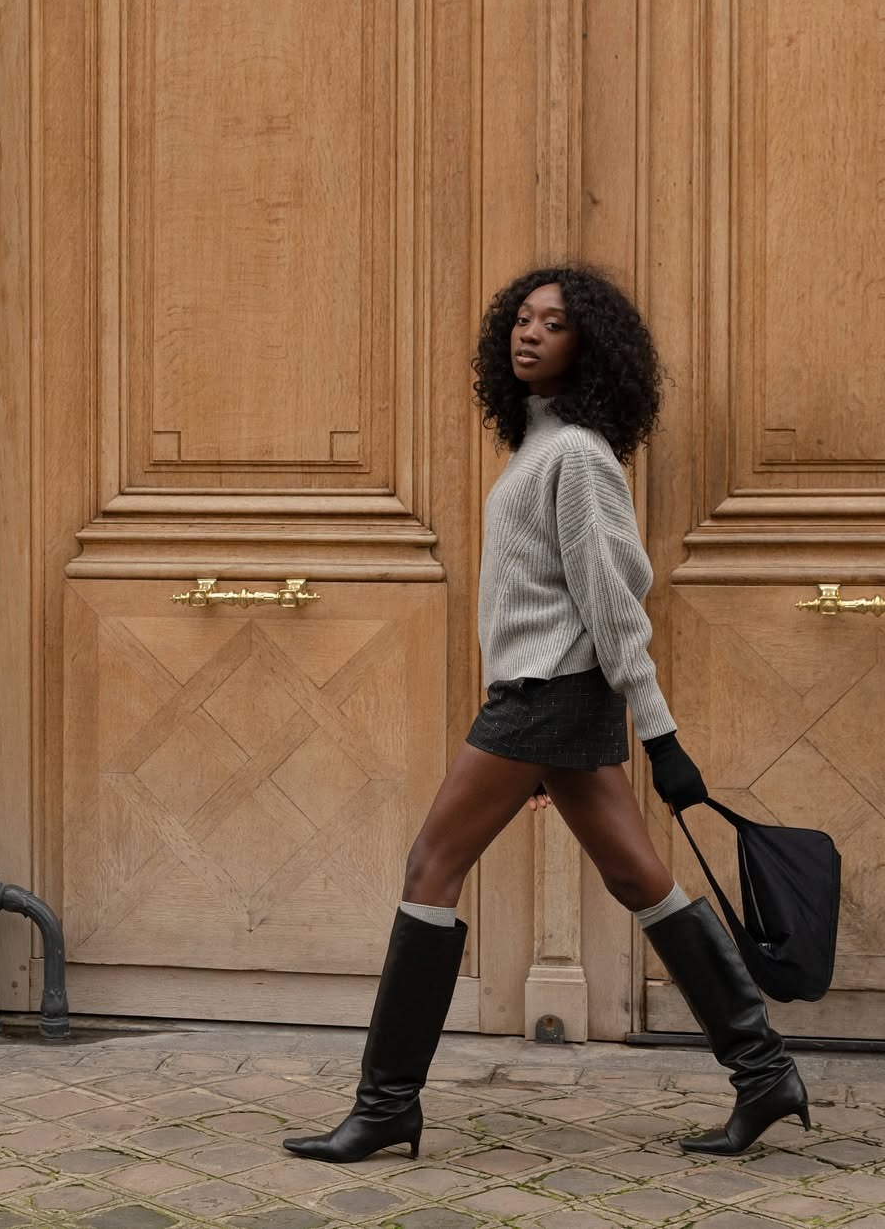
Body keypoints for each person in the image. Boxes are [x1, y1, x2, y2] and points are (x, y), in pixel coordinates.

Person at [282, 265, 809, 1164]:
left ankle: (386, 1105)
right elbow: (543, 602)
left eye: (553, 323)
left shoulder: (578, 458)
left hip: (546, 698)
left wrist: (660, 734)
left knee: (430, 866)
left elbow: (612, 603)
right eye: (522, 319)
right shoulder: (542, 445)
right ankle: (764, 1074)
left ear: (587, 345)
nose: (529, 333)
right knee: (639, 879)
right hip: (544, 699)